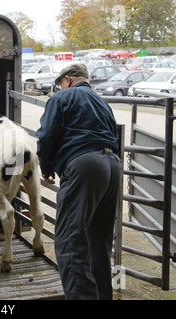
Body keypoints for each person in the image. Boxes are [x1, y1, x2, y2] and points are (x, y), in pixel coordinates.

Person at [35, 63, 122, 300]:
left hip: (85, 165)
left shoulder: (64, 96)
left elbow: (46, 135)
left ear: (68, 80)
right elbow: (114, 134)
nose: (58, 88)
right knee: (99, 241)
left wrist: (46, 167)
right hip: (112, 166)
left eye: (59, 84)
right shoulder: (101, 101)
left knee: (70, 241)